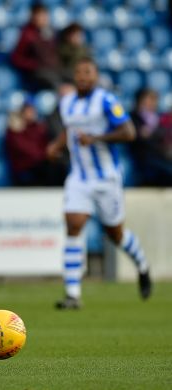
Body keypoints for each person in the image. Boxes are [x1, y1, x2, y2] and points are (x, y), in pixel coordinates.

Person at [47, 57, 151, 309]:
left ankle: (142, 265)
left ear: (95, 76)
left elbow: (129, 132)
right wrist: (56, 146)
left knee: (115, 235)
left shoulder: (106, 101)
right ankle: (73, 294)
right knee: (73, 225)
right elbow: (69, 130)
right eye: (79, 72)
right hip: (79, 177)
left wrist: (97, 138)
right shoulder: (68, 102)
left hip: (106, 178)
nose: (83, 76)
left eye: (88, 72)